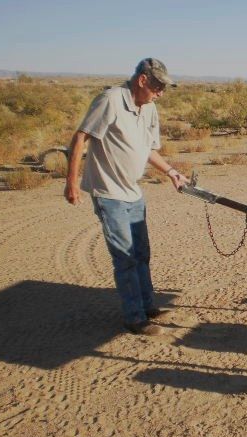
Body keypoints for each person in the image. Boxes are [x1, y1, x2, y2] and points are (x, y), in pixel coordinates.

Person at [65, 58, 188, 335]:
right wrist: (71, 183)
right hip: (109, 193)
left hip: (133, 192)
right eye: (158, 86)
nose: (161, 92)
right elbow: (80, 137)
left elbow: (147, 150)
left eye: (165, 88)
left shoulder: (149, 109)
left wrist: (171, 172)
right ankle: (134, 318)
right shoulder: (110, 100)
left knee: (142, 253)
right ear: (142, 79)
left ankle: (147, 306)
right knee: (126, 257)